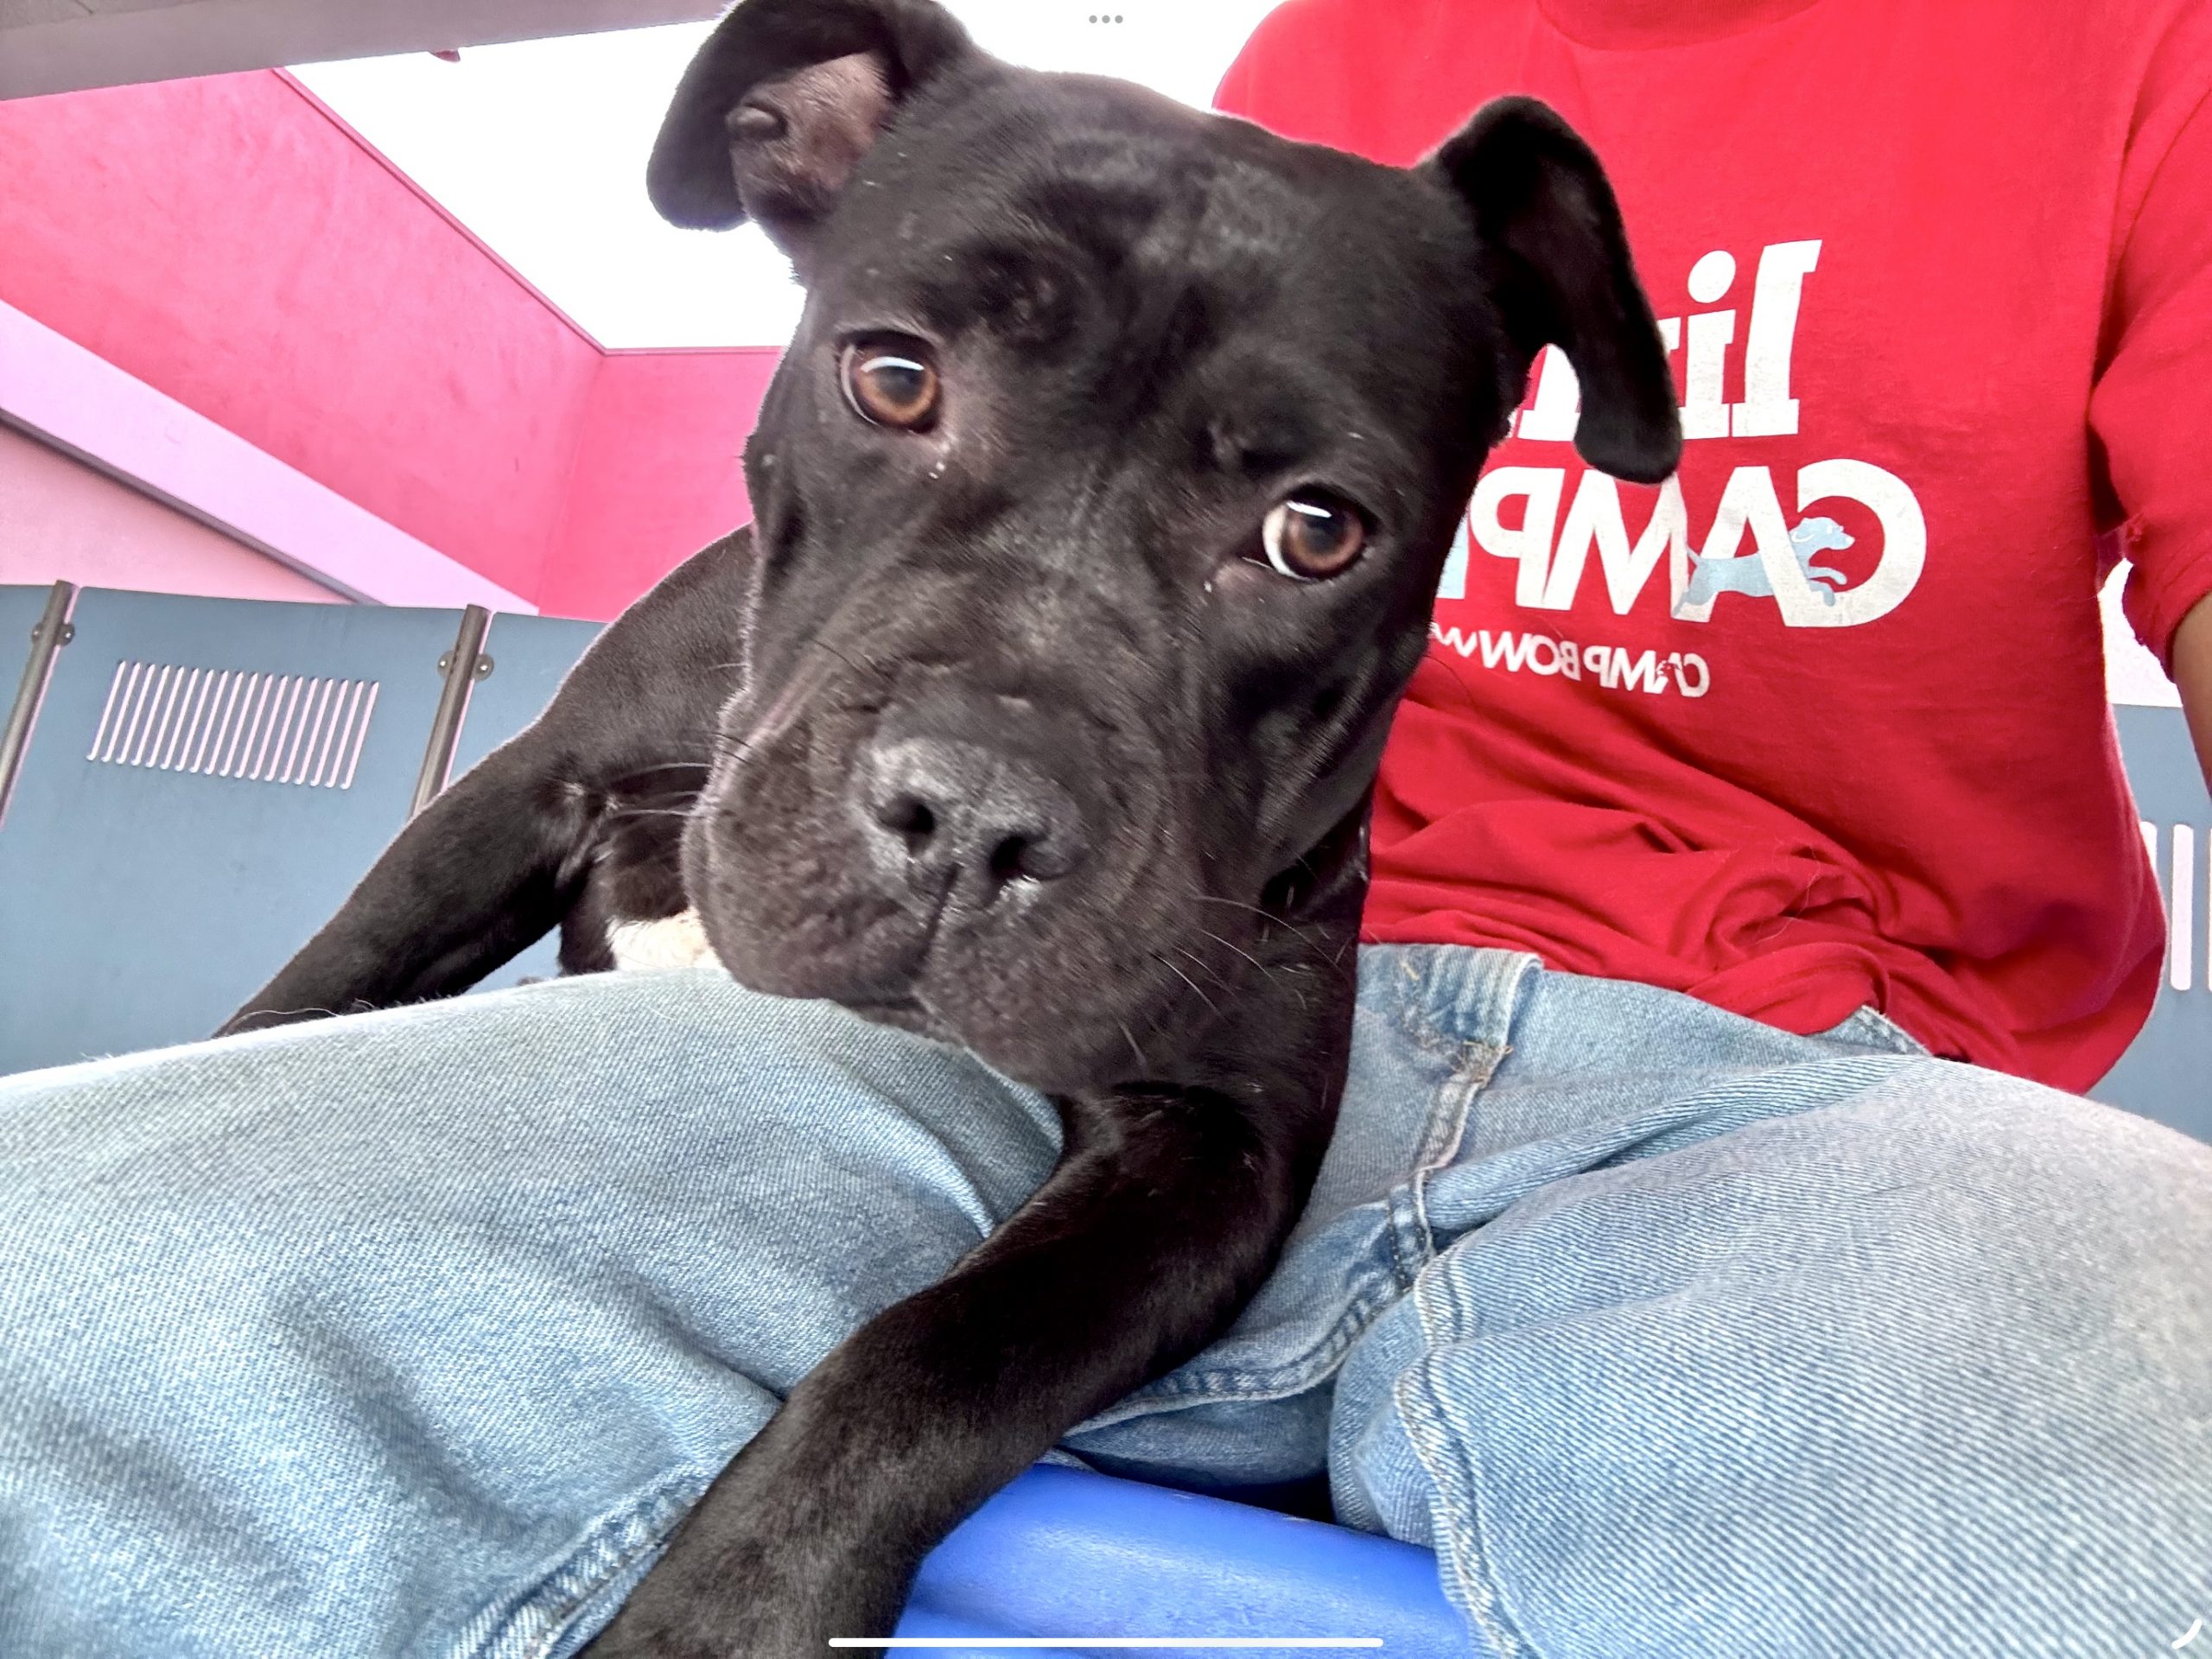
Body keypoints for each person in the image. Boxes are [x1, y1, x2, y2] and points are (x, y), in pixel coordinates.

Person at [3, 0, 2209, 1654]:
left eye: (1309, 526)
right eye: (900, 386)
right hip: (1033, 1051)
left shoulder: (2128, 55)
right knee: (62, 1293)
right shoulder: (1323, 56)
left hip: (1766, 1103)